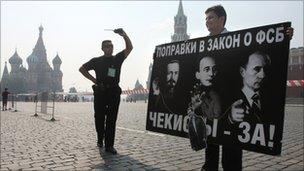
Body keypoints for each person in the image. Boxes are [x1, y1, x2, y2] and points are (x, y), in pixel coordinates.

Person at [201, 4, 294, 171]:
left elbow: (266, 44)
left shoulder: (239, 41)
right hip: (214, 104)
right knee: (211, 145)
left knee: (232, 146)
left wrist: (286, 35)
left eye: (211, 18)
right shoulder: (203, 44)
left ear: (222, 19)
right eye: (206, 18)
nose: (207, 22)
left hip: (233, 102)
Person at [79, 28, 132, 154]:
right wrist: (95, 81)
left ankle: (109, 145)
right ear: (102, 48)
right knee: (99, 118)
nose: (110, 48)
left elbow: (129, 48)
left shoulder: (117, 59)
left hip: (113, 92)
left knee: (111, 119)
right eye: (107, 46)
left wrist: (124, 35)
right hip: (100, 92)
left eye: (111, 46)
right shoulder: (96, 61)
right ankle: (100, 138)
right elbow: (82, 69)